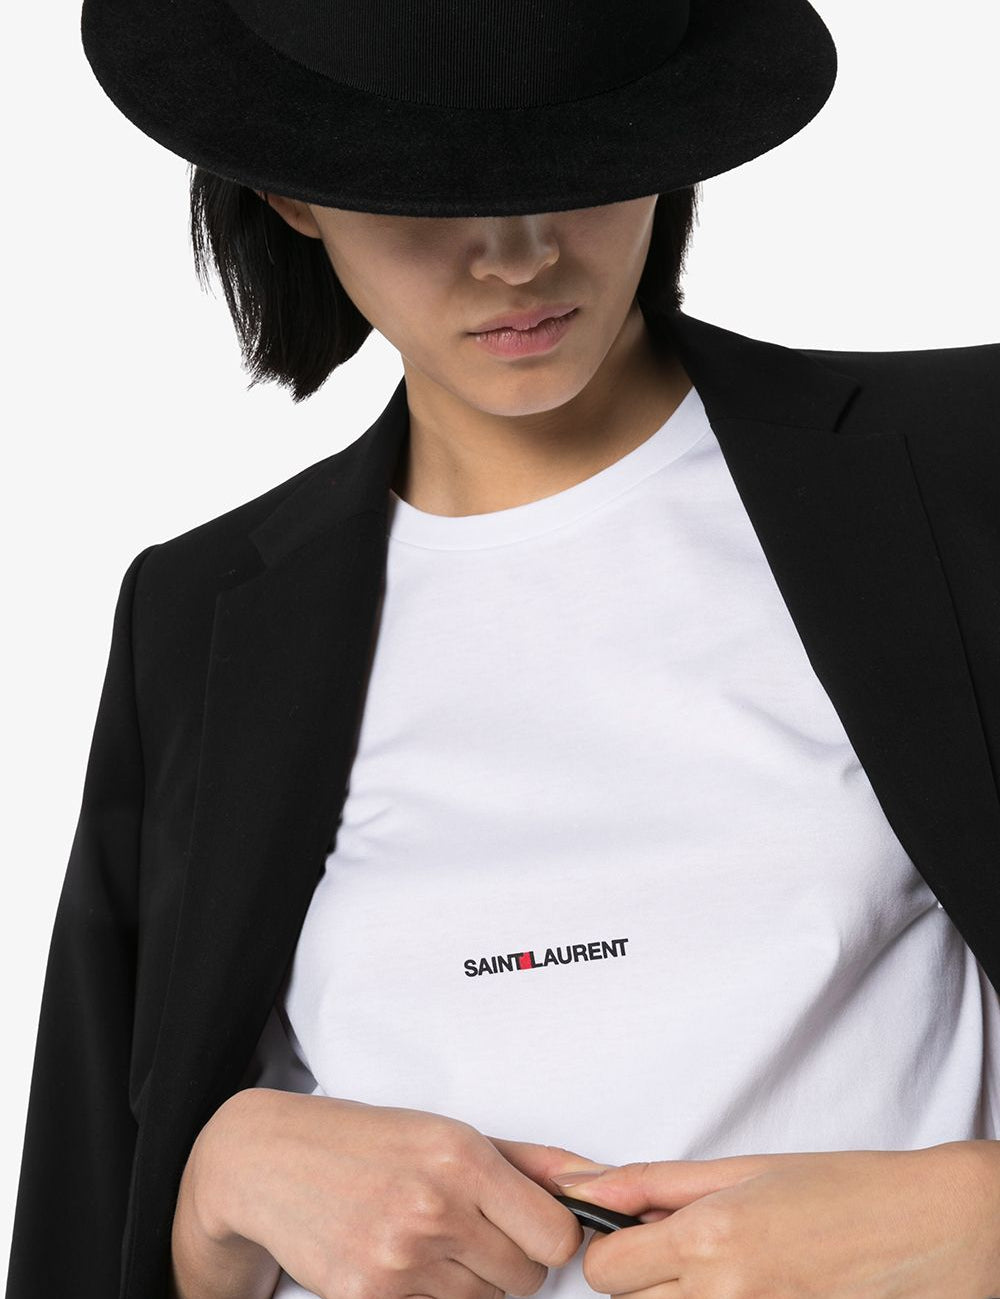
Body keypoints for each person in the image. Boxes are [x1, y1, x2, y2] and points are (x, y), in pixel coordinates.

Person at [6, 1, 1000, 1298]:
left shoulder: (963, 468)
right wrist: (212, 1200)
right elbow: (85, 1208)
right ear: (293, 194)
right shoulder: (196, 614)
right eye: (432, 196)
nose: (520, 255)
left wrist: (985, 1223)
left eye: (575, 170)